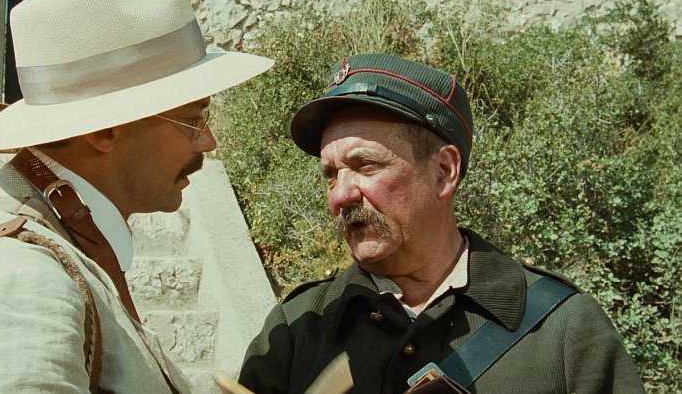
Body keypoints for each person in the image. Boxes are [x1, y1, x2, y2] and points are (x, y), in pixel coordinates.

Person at [0, 0, 272, 393]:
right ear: (104, 131)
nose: (207, 142)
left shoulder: (49, 245)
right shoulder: (11, 278)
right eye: (192, 120)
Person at [237, 54, 644, 393]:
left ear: (444, 171)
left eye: (366, 165)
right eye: (330, 174)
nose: (340, 196)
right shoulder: (295, 329)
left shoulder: (565, 329)